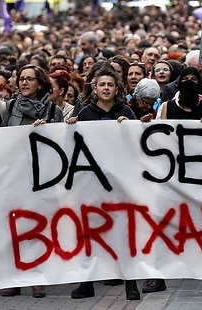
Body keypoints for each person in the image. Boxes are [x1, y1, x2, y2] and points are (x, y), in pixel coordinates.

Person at [142, 67, 202, 295]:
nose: (189, 83)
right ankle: (158, 276)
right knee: (164, 223)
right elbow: (161, 140)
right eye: (185, 80)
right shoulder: (167, 107)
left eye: (194, 80)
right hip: (173, 175)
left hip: (201, 176)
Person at [67, 65, 140, 301]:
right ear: (94, 89)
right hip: (91, 184)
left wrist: (130, 128)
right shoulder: (85, 113)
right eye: (102, 85)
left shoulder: (127, 112)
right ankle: (87, 283)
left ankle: (131, 283)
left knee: (124, 233)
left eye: (110, 84)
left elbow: (138, 147)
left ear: (116, 89)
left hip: (120, 184)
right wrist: (67, 129)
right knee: (89, 232)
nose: (106, 88)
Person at [1, 64, 64, 298]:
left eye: (30, 79)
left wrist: (47, 130)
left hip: (42, 178)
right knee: (15, 228)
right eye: (21, 79)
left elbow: (59, 145)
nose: (24, 83)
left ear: (40, 83)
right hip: (16, 175)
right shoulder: (10, 107)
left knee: (38, 228)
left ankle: (38, 278)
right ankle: (14, 278)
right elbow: (3, 137)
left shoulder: (52, 110)